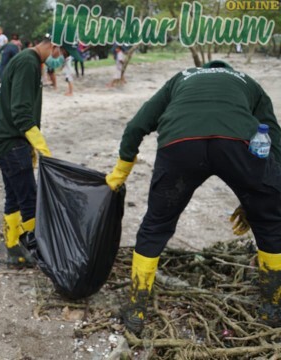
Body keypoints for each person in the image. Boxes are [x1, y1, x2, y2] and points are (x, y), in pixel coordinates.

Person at [105, 60, 281, 334]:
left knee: (156, 225)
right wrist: (260, 195)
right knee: (270, 222)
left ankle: (137, 309)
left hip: (180, 145)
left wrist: (121, 172)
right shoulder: (247, 82)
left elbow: (136, 126)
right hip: (238, 146)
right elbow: (275, 138)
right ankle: (272, 307)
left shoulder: (181, 78)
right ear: (228, 73)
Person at [0, 38, 59, 267]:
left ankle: (13, 248)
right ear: (52, 45)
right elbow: (20, 112)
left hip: (6, 140)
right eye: (62, 52)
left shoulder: (27, 61)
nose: (61, 58)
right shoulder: (28, 62)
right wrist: (42, 147)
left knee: (14, 196)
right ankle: (37, 249)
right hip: (10, 142)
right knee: (29, 198)